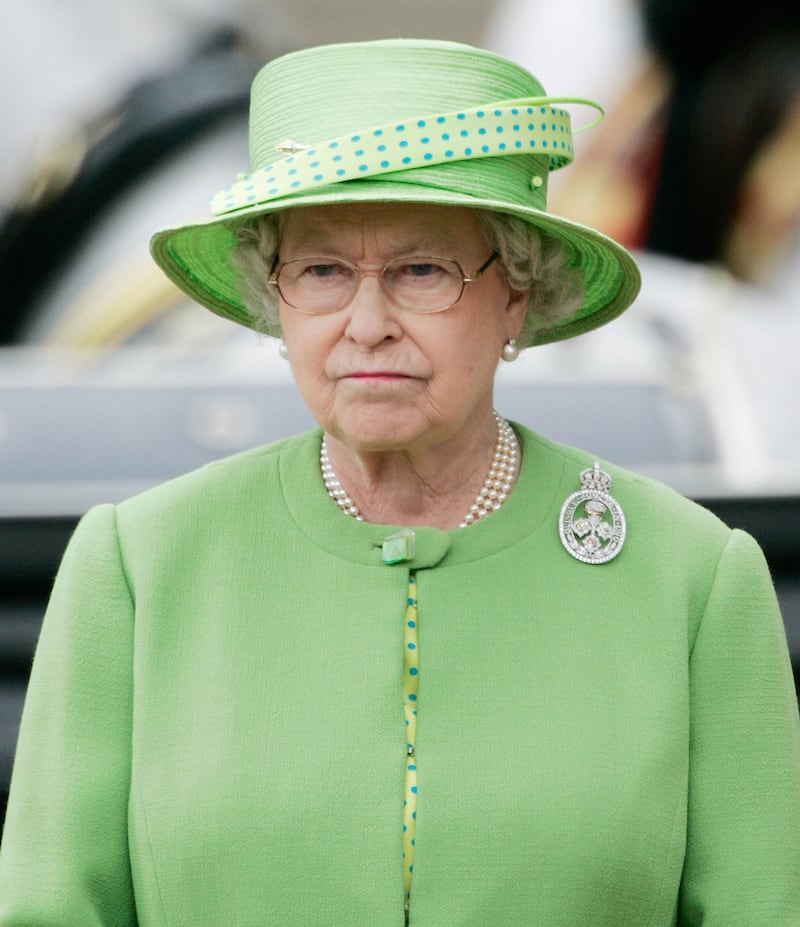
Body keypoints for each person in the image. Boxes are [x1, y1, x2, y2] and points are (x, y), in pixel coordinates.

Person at [1, 37, 799, 926]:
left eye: (423, 270)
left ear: (518, 295)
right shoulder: (134, 571)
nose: (366, 323)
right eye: (321, 270)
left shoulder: (695, 581)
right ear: (275, 299)